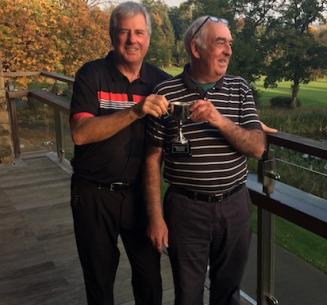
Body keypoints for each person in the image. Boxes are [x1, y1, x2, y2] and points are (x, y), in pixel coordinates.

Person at [145, 15, 266, 305]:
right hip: (186, 210)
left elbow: (258, 147)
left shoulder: (240, 88)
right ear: (195, 48)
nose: (228, 51)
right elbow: (152, 159)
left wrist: (218, 120)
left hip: (234, 207)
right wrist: (156, 218)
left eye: (230, 44)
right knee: (188, 295)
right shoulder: (165, 93)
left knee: (227, 294)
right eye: (220, 42)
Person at [69, 2, 169, 305]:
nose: (132, 40)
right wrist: (136, 111)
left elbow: (197, 102)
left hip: (140, 195)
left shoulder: (160, 81)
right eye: (124, 32)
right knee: (99, 280)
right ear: (112, 36)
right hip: (93, 195)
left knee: (150, 280)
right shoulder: (91, 75)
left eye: (139, 33)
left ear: (148, 39)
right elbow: (81, 133)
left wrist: (245, 119)